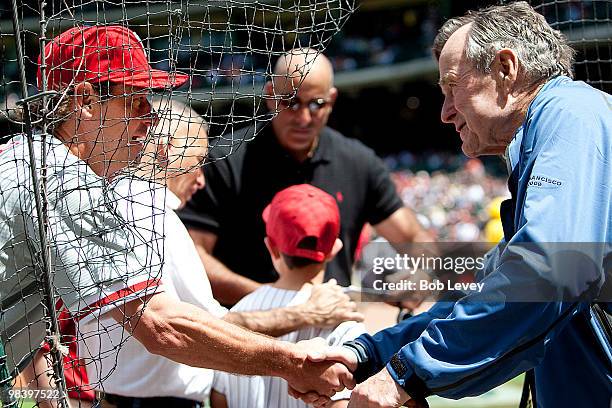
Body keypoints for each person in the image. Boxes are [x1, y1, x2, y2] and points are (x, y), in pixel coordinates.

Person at [0, 25, 355, 406]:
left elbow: (30, 336)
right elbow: (162, 326)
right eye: (135, 100)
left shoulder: (31, 160)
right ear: (85, 101)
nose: (149, 118)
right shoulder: (61, 179)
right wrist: (293, 362)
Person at [294, 2, 612, 407]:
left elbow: (547, 272)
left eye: (451, 86)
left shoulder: (571, 115)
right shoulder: (551, 132)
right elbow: (485, 295)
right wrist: (368, 354)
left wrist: (405, 375)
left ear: (506, 67)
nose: (444, 113)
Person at [79, 102, 363, 408]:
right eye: (197, 161)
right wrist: (305, 315)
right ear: (165, 148)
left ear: (272, 245)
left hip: (119, 396)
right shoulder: (152, 213)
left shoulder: (112, 204)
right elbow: (206, 327)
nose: (201, 179)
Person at [178, 48, 432, 305]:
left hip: (331, 331)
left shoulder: (358, 162)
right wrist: (276, 303)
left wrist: (421, 276)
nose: (303, 117)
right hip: (248, 331)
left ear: (331, 101)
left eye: (316, 104)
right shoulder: (224, 159)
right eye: (290, 102)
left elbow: (413, 236)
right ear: (269, 96)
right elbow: (193, 255)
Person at [210, 184, 366, 408]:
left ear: (271, 247)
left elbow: (219, 401)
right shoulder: (343, 314)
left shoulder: (235, 314)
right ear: (335, 247)